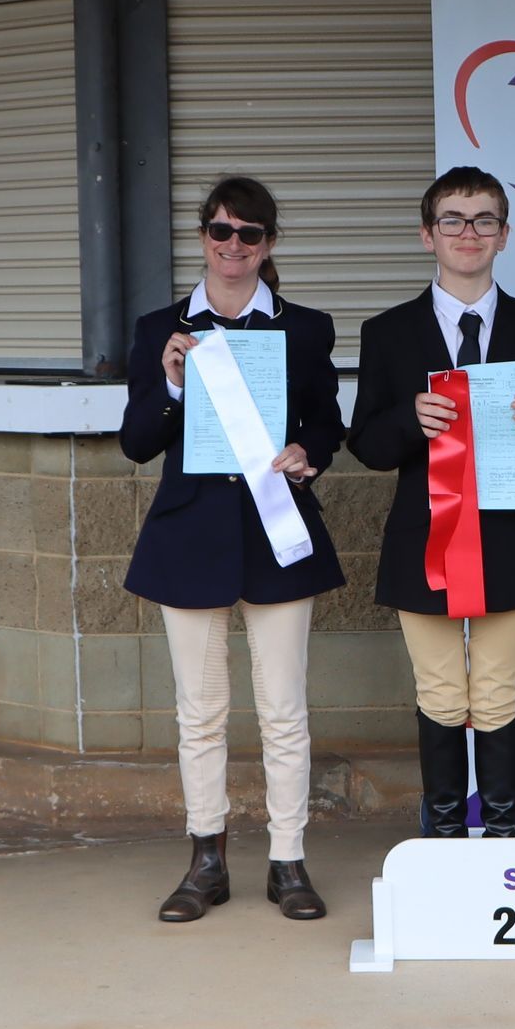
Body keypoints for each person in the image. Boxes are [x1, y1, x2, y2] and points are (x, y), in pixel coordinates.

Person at [121, 175, 345, 921]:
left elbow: (328, 422)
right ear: (203, 238)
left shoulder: (306, 328)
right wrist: (173, 385)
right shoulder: (160, 328)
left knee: (283, 709)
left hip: (278, 531)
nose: (233, 246)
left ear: (268, 244)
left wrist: (307, 450)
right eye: (221, 232)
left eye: (249, 234)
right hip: (190, 536)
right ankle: (206, 860)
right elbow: (135, 440)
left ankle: (288, 862)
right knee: (200, 711)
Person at [346, 166, 515, 839]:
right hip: (426, 541)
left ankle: (501, 841)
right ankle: (446, 839)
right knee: (442, 694)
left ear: (505, 234)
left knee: (499, 692)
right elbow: (365, 444)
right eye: (453, 219)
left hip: (510, 542)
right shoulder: (388, 332)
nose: (468, 232)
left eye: (483, 220)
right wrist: (405, 422)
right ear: (428, 235)